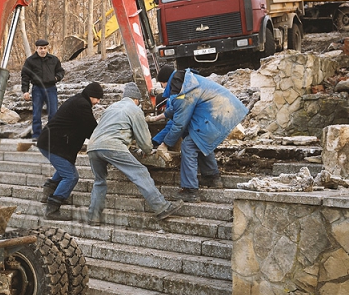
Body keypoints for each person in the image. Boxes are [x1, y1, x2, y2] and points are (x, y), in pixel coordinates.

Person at [86, 82, 183, 225]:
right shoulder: (134, 109)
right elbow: (144, 141)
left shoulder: (111, 107)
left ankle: (93, 217)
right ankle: (162, 207)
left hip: (93, 146)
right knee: (140, 173)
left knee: (100, 181)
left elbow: (111, 129)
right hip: (112, 146)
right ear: (136, 99)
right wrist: (148, 151)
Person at [161, 69, 248, 202]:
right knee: (199, 141)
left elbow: (179, 124)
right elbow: (179, 106)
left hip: (217, 114)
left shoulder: (184, 89)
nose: (162, 88)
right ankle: (212, 177)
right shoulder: (187, 81)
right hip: (225, 111)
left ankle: (190, 190)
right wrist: (160, 117)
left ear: (167, 81)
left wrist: (165, 144)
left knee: (188, 146)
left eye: (162, 84)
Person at [37, 82, 104, 220]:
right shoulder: (82, 105)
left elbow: (85, 127)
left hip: (51, 142)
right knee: (71, 176)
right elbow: (91, 127)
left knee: (65, 171)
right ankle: (52, 207)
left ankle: (48, 193)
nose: (98, 102)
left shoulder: (78, 100)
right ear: (91, 95)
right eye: (97, 98)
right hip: (54, 145)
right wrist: (104, 138)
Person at [21, 39, 65, 140]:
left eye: (45, 48)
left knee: (53, 113)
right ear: (36, 49)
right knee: (36, 113)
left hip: (51, 89)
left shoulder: (53, 60)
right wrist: (25, 91)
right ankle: (36, 135)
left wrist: (56, 78)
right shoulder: (30, 61)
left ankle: (52, 135)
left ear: (47, 48)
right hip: (37, 89)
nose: (43, 50)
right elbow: (25, 76)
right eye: (41, 48)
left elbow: (61, 71)